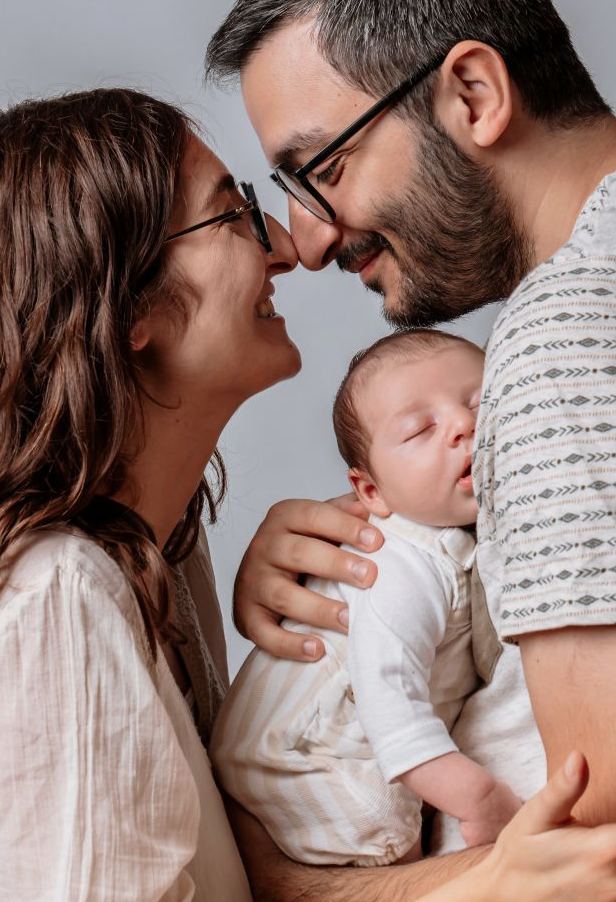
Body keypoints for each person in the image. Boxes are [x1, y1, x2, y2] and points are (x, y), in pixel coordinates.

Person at [0, 89, 616, 902]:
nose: (287, 246)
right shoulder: (52, 589)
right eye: (232, 213)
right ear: (127, 306)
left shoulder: (155, 554)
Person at [205, 0, 616, 902]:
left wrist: (282, 878)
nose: (308, 241)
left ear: (470, 91)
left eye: (323, 168)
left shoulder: (580, 338)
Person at [211, 328, 522, 866]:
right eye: (421, 429)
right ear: (372, 492)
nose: (464, 425)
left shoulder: (462, 541)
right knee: (395, 853)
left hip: (331, 744)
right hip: (304, 757)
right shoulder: (400, 564)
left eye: (480, 402)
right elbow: (388, 699)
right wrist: (478, 798)